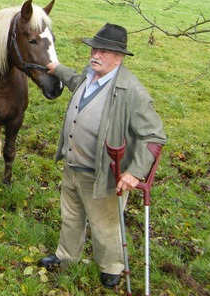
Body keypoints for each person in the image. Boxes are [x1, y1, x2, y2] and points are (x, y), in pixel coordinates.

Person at [39, 23, 166, 289]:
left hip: (104, 173)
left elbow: (153, 136)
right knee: (71, 215)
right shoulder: (91, 73)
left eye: (103, 51)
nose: (94, 54)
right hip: (74, 165)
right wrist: (56, 69)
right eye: (94, 48)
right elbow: (75, 81)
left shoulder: (132, 91)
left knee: (104, 224)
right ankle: (66, 256)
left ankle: (111, 267)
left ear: (119, 57)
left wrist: (134, 173)